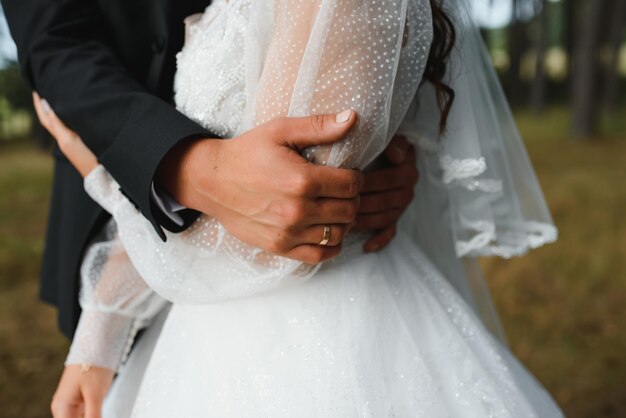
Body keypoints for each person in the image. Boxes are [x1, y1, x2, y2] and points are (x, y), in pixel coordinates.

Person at [33, 0, 564, 416]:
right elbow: (220, 208)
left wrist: (99, 172)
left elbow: (271, 240)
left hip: (324, 346)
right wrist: (97, 339)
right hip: (200, 338)